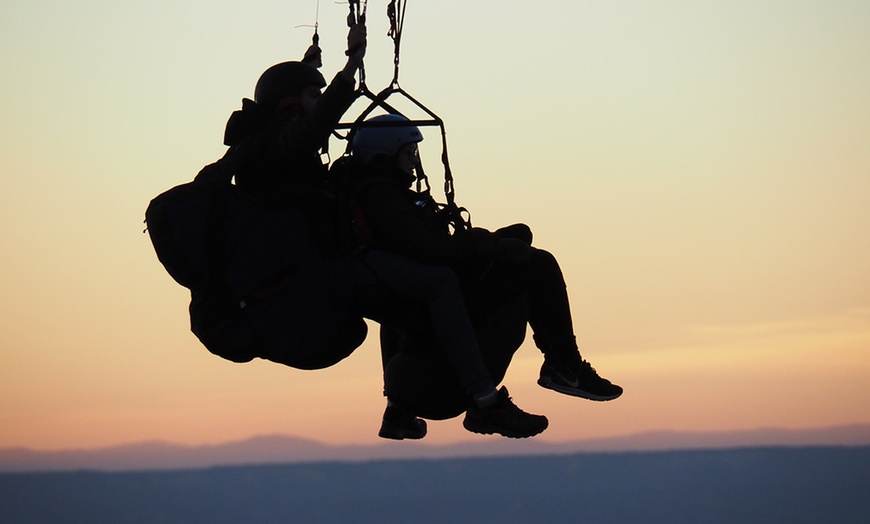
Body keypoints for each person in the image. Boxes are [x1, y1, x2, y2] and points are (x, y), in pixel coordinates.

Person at [221, 25, 547, 439]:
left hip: (325, 259)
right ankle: (485, 400)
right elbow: (309, 129)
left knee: (402, 284)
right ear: (289, 107)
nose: (320, 107)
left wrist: (309, 69)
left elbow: (303, 120)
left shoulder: (267, 143)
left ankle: (396, 411)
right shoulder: (276, 145)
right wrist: (351, 66)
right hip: (322, 267)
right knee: (437, 281)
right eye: (311, 98)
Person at [340, 114, 623, 433]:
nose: (414, 162)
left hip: (411, 351)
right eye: (409, 153)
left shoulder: (378, 195)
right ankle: (556, 369)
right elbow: (428, 252)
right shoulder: (382, 198)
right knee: (537, 264)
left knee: (517, 239)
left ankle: (399, 410)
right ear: (385, 155)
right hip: (433, 358)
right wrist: (485, 244)